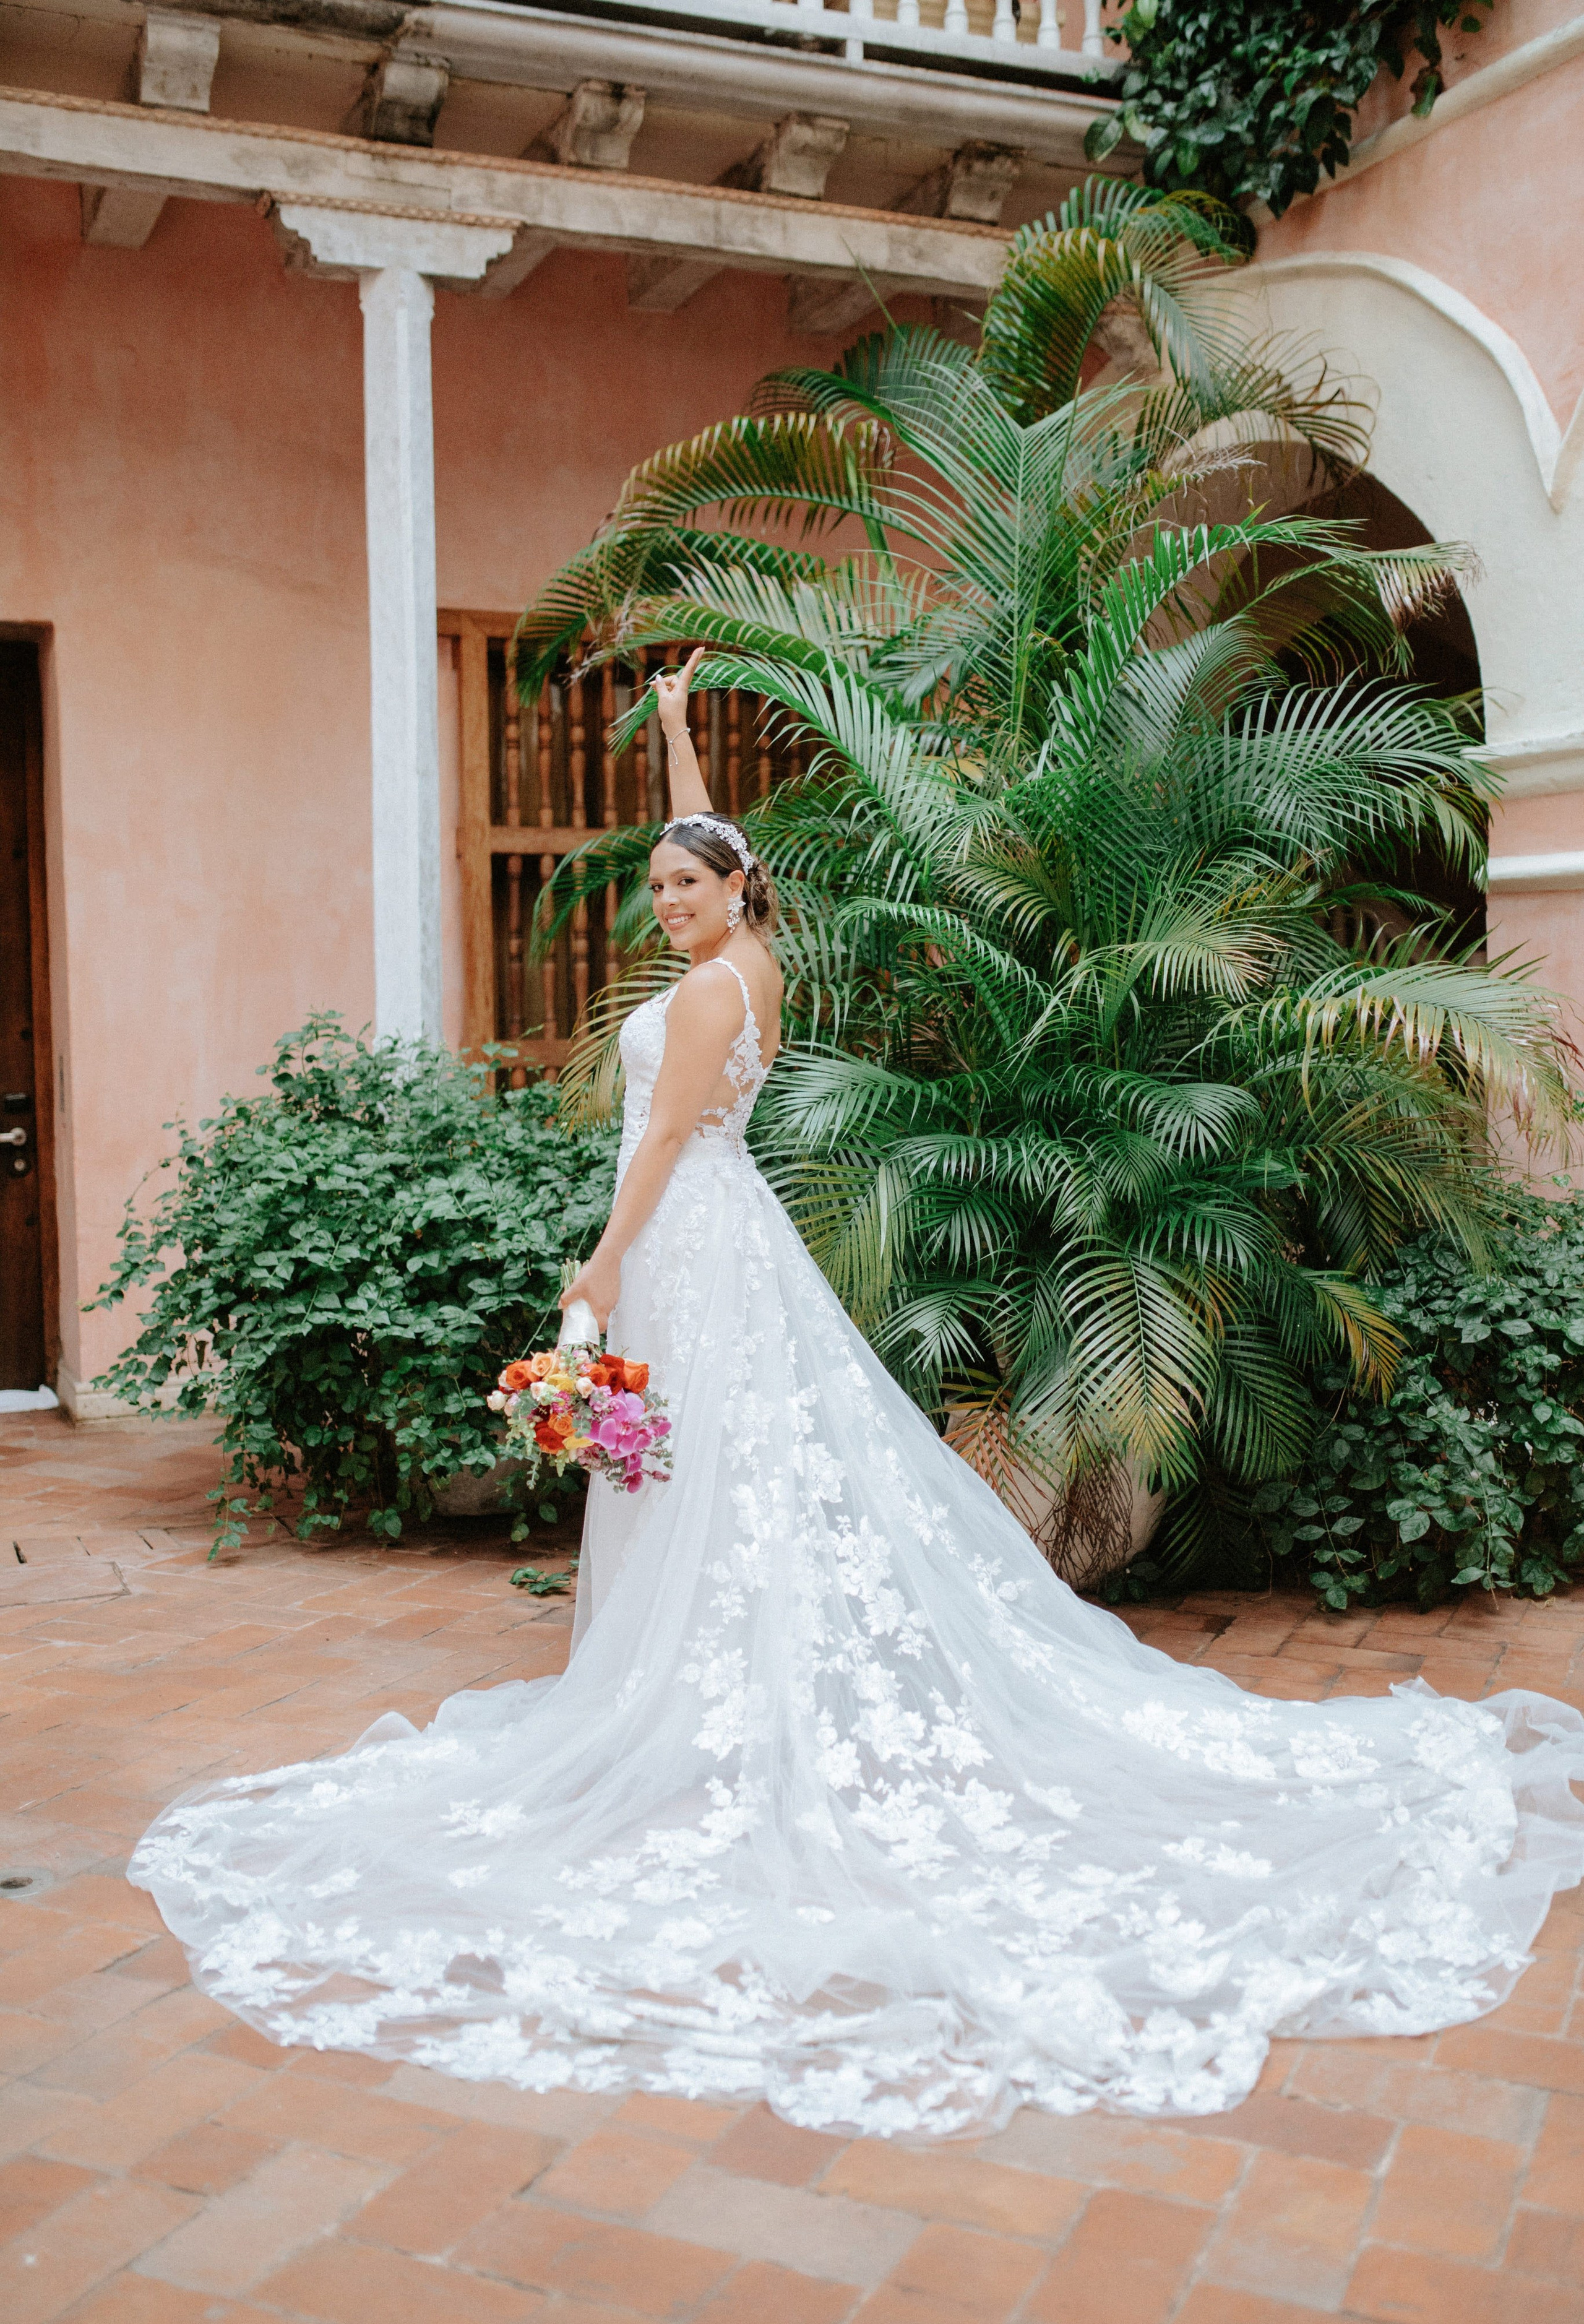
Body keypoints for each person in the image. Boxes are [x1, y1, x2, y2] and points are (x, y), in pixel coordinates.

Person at [130, 651, 1584, 2140]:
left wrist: (598, 1273)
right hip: (729, 1235)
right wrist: (682, 733)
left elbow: (659, 1145)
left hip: (683, 1237)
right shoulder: (757, 951)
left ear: (728, 898)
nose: (662, 902)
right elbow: (710, 845)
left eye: (680, 889)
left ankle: (711, 1700)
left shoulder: (709, 994)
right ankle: (704, 1685)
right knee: (725, 1469)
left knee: (706, 1467)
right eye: (655, 888)